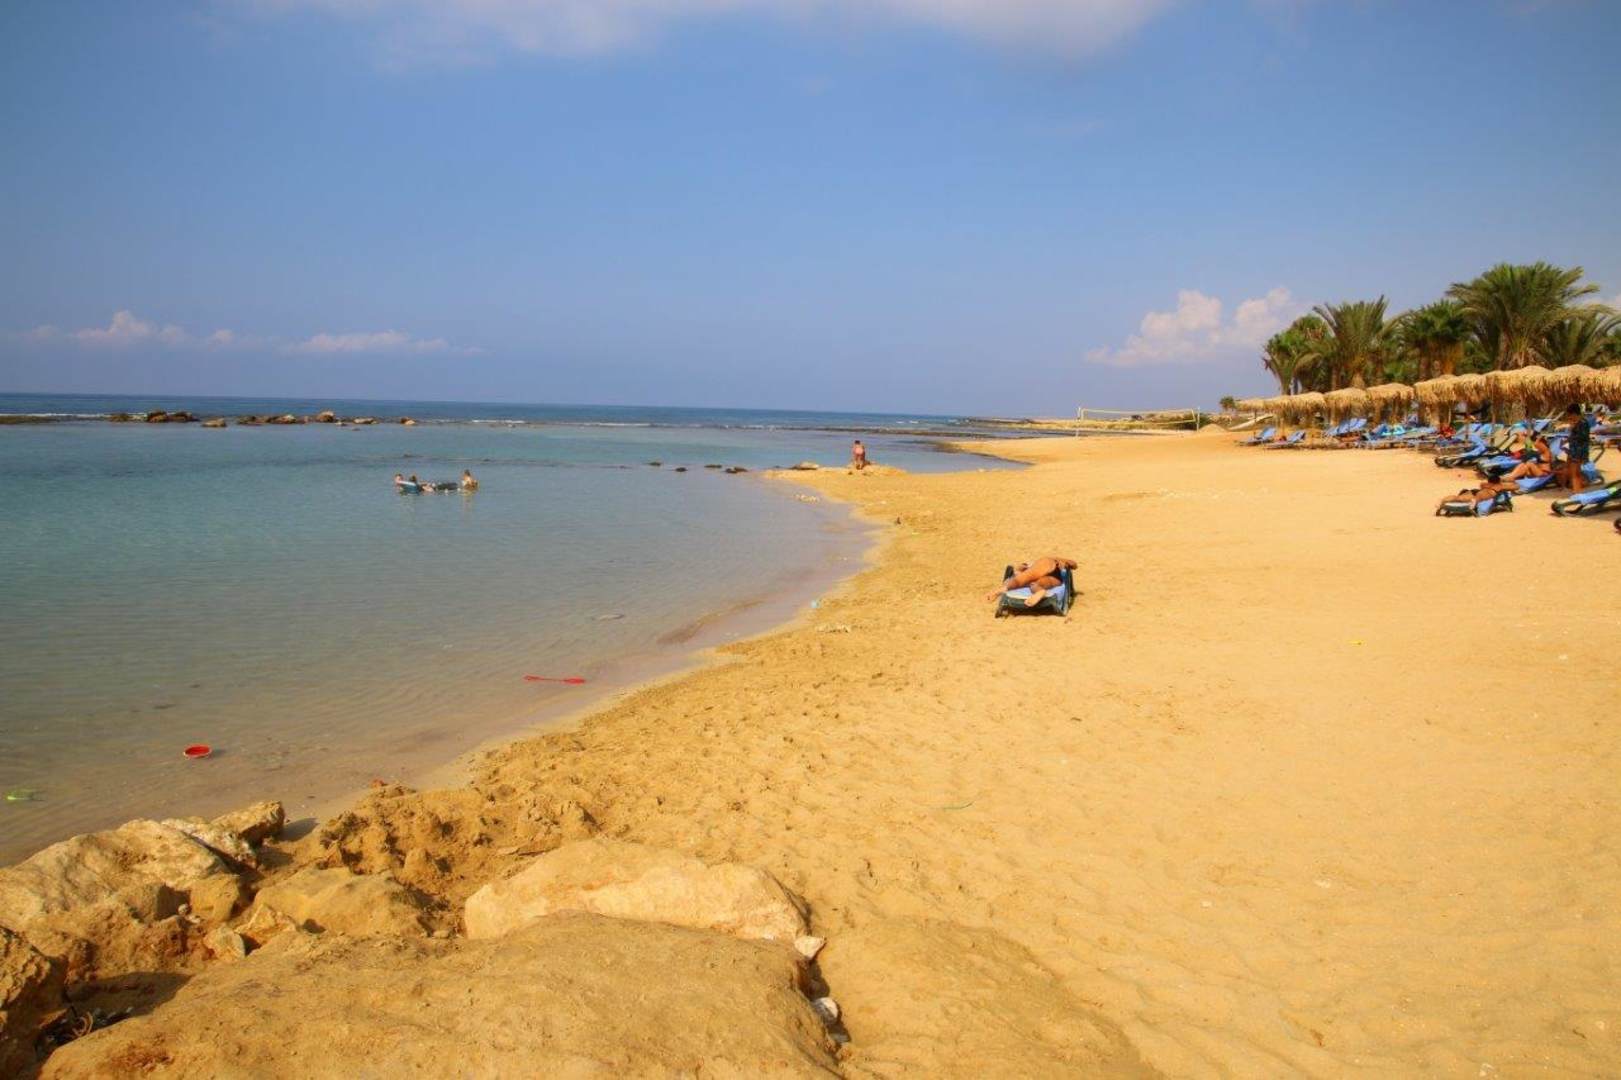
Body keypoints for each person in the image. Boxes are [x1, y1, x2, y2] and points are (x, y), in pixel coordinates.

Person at [987, 557, 1077, 608]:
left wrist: (1061, 561)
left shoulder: (1040, 565)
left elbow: (1074, 564)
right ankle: (1040, 591)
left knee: (1027, 578)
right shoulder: (1022, 576)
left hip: (1052, 570)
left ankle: (1001, 590)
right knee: (1034, 583)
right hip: (1047, 579)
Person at [1558, 404, 1590, 493]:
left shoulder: (1582, 423)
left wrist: (1572, 429)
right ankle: (1577, 491)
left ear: (1574, 413)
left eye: (1570, 414)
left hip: (1578, 450)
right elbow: (1575, 436)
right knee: (1576, 472)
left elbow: (1582, 437)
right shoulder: (1580, 422)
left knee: (1574, 472)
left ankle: (1576, 492)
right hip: (1575, 449)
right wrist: (1566, 440)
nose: (1569, 417)